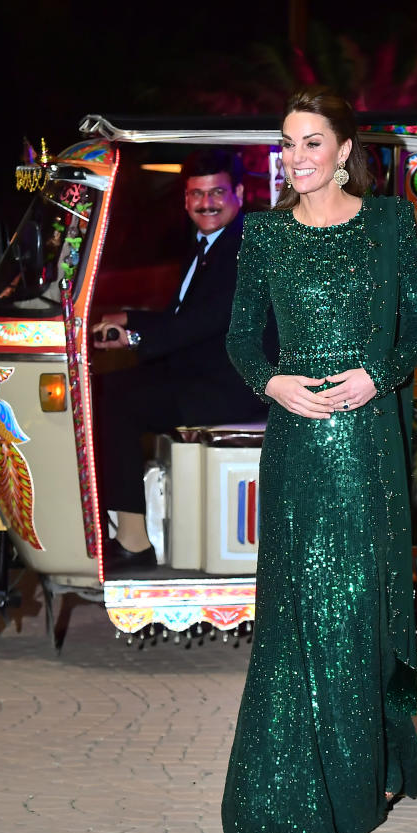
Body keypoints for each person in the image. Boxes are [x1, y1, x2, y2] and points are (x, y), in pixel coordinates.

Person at [221, 87, 417, 833]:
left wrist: (380, 372)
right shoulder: (265, 233)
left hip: (367, 437)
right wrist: (271, 382)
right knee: (298, 609)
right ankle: (297, 781)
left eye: (312, 143)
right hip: (296, 445)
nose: (297, 158)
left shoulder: (388, 223)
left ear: (346, 151)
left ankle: (367, 767)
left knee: (360, 603)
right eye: (287, 144)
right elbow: (242, 338)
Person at [92, 148, 269, 572]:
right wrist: (128, 318)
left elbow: (201, 324)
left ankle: (134, 542)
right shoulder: (206, 244)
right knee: (100, 391)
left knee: (114, 402)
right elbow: (183, 317)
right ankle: (118, 523)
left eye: (217, 193)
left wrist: (132, 335)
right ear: (185, 200)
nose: (206, 203)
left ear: (239, 193)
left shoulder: (248, 247)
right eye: (196, 194)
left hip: (234, 387)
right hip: (203, 372)